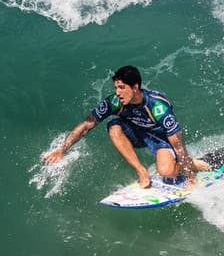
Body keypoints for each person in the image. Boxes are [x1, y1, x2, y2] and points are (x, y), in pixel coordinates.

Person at [41, 65, 211, 188]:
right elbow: (87, 125)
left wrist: (190, 174)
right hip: (136, 133)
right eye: (116, 88)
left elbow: (177, 144)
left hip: (160, 139)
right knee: (114, 127)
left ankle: (194, 164)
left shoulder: (158, 107)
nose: (118, 92)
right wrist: (62, 149)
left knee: (167, 172)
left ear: (135, 87)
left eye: (122, 88)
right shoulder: (115, 102)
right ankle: (142, 172)